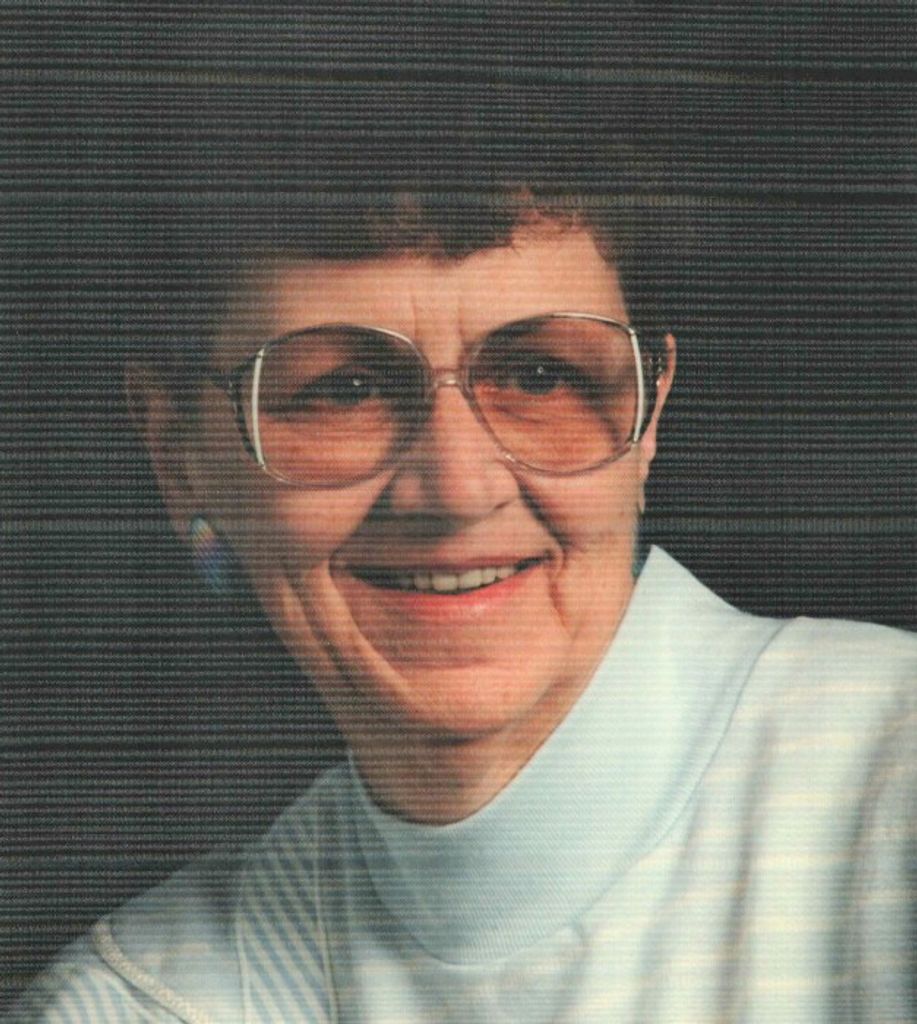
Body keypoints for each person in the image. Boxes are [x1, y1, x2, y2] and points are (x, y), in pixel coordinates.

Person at [10, 181, 915, 1023]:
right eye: (345, 390)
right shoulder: (141, 1004)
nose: (455, 489)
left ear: (648, 417)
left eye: (539, 377)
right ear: (179, 458)